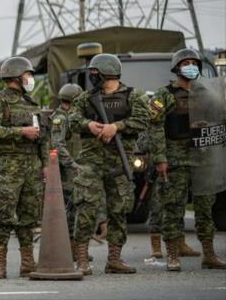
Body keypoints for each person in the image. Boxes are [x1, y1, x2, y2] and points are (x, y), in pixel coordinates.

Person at [69, 53, 150, 275]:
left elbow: (143, 120)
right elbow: (71, 119)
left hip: (119, 161)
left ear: (105, 73)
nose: (91, 76)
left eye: (94, 73)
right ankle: (82, 259)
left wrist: (116, 127)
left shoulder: (134, 96)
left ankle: (114, 258)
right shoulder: (86, 98)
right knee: (86, 208)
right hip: (91, 162)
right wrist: (89, 125)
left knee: (119, 209)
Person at [149, 48, 226, 271]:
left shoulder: (207, 92)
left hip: (203, 155)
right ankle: (173, 254)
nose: (191, 65)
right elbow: (155, 128)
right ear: (177, 67)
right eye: (186, 62)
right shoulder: (164, 95)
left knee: (205, 207)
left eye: (194, 62)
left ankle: (209, 254)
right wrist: (160, 158)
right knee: (173, 206)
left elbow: (220, 117)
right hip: (176, 157)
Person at [0, 56, 43, 279]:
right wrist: (21, 132)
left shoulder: (31, 103)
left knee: (28, 215)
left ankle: (28, 262)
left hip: (32, 166)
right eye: (28, 75)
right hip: (8, 168)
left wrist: (45, 165)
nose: (30, 79)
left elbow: (42, 135)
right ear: (17, 77)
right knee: (5, 215)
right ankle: (0, 264)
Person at [49, 83, 83, 258]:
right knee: (70, 208)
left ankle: (76, 247)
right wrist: (73, 164)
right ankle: (71, 248)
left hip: (75, 167)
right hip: (68, 171)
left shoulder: (73, 116)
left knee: (77, 207)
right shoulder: (60, 118)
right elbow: (57, 144)